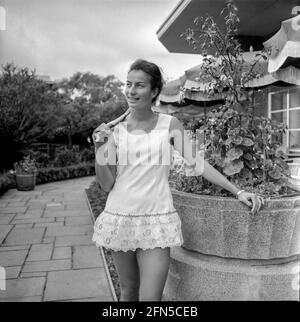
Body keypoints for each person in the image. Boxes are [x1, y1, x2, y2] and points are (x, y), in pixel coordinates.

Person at [92, 59, 264, 302]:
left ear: (153, 92)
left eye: (139, 85)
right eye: (128, 84)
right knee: (128, 293)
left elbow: (198, 163)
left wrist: (237, 191)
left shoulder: (169, 124)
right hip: (119, 217)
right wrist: (99, 147)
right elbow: (106, 184)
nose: (131, 91)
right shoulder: (114, 130)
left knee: (150, 298)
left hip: (156, 219)